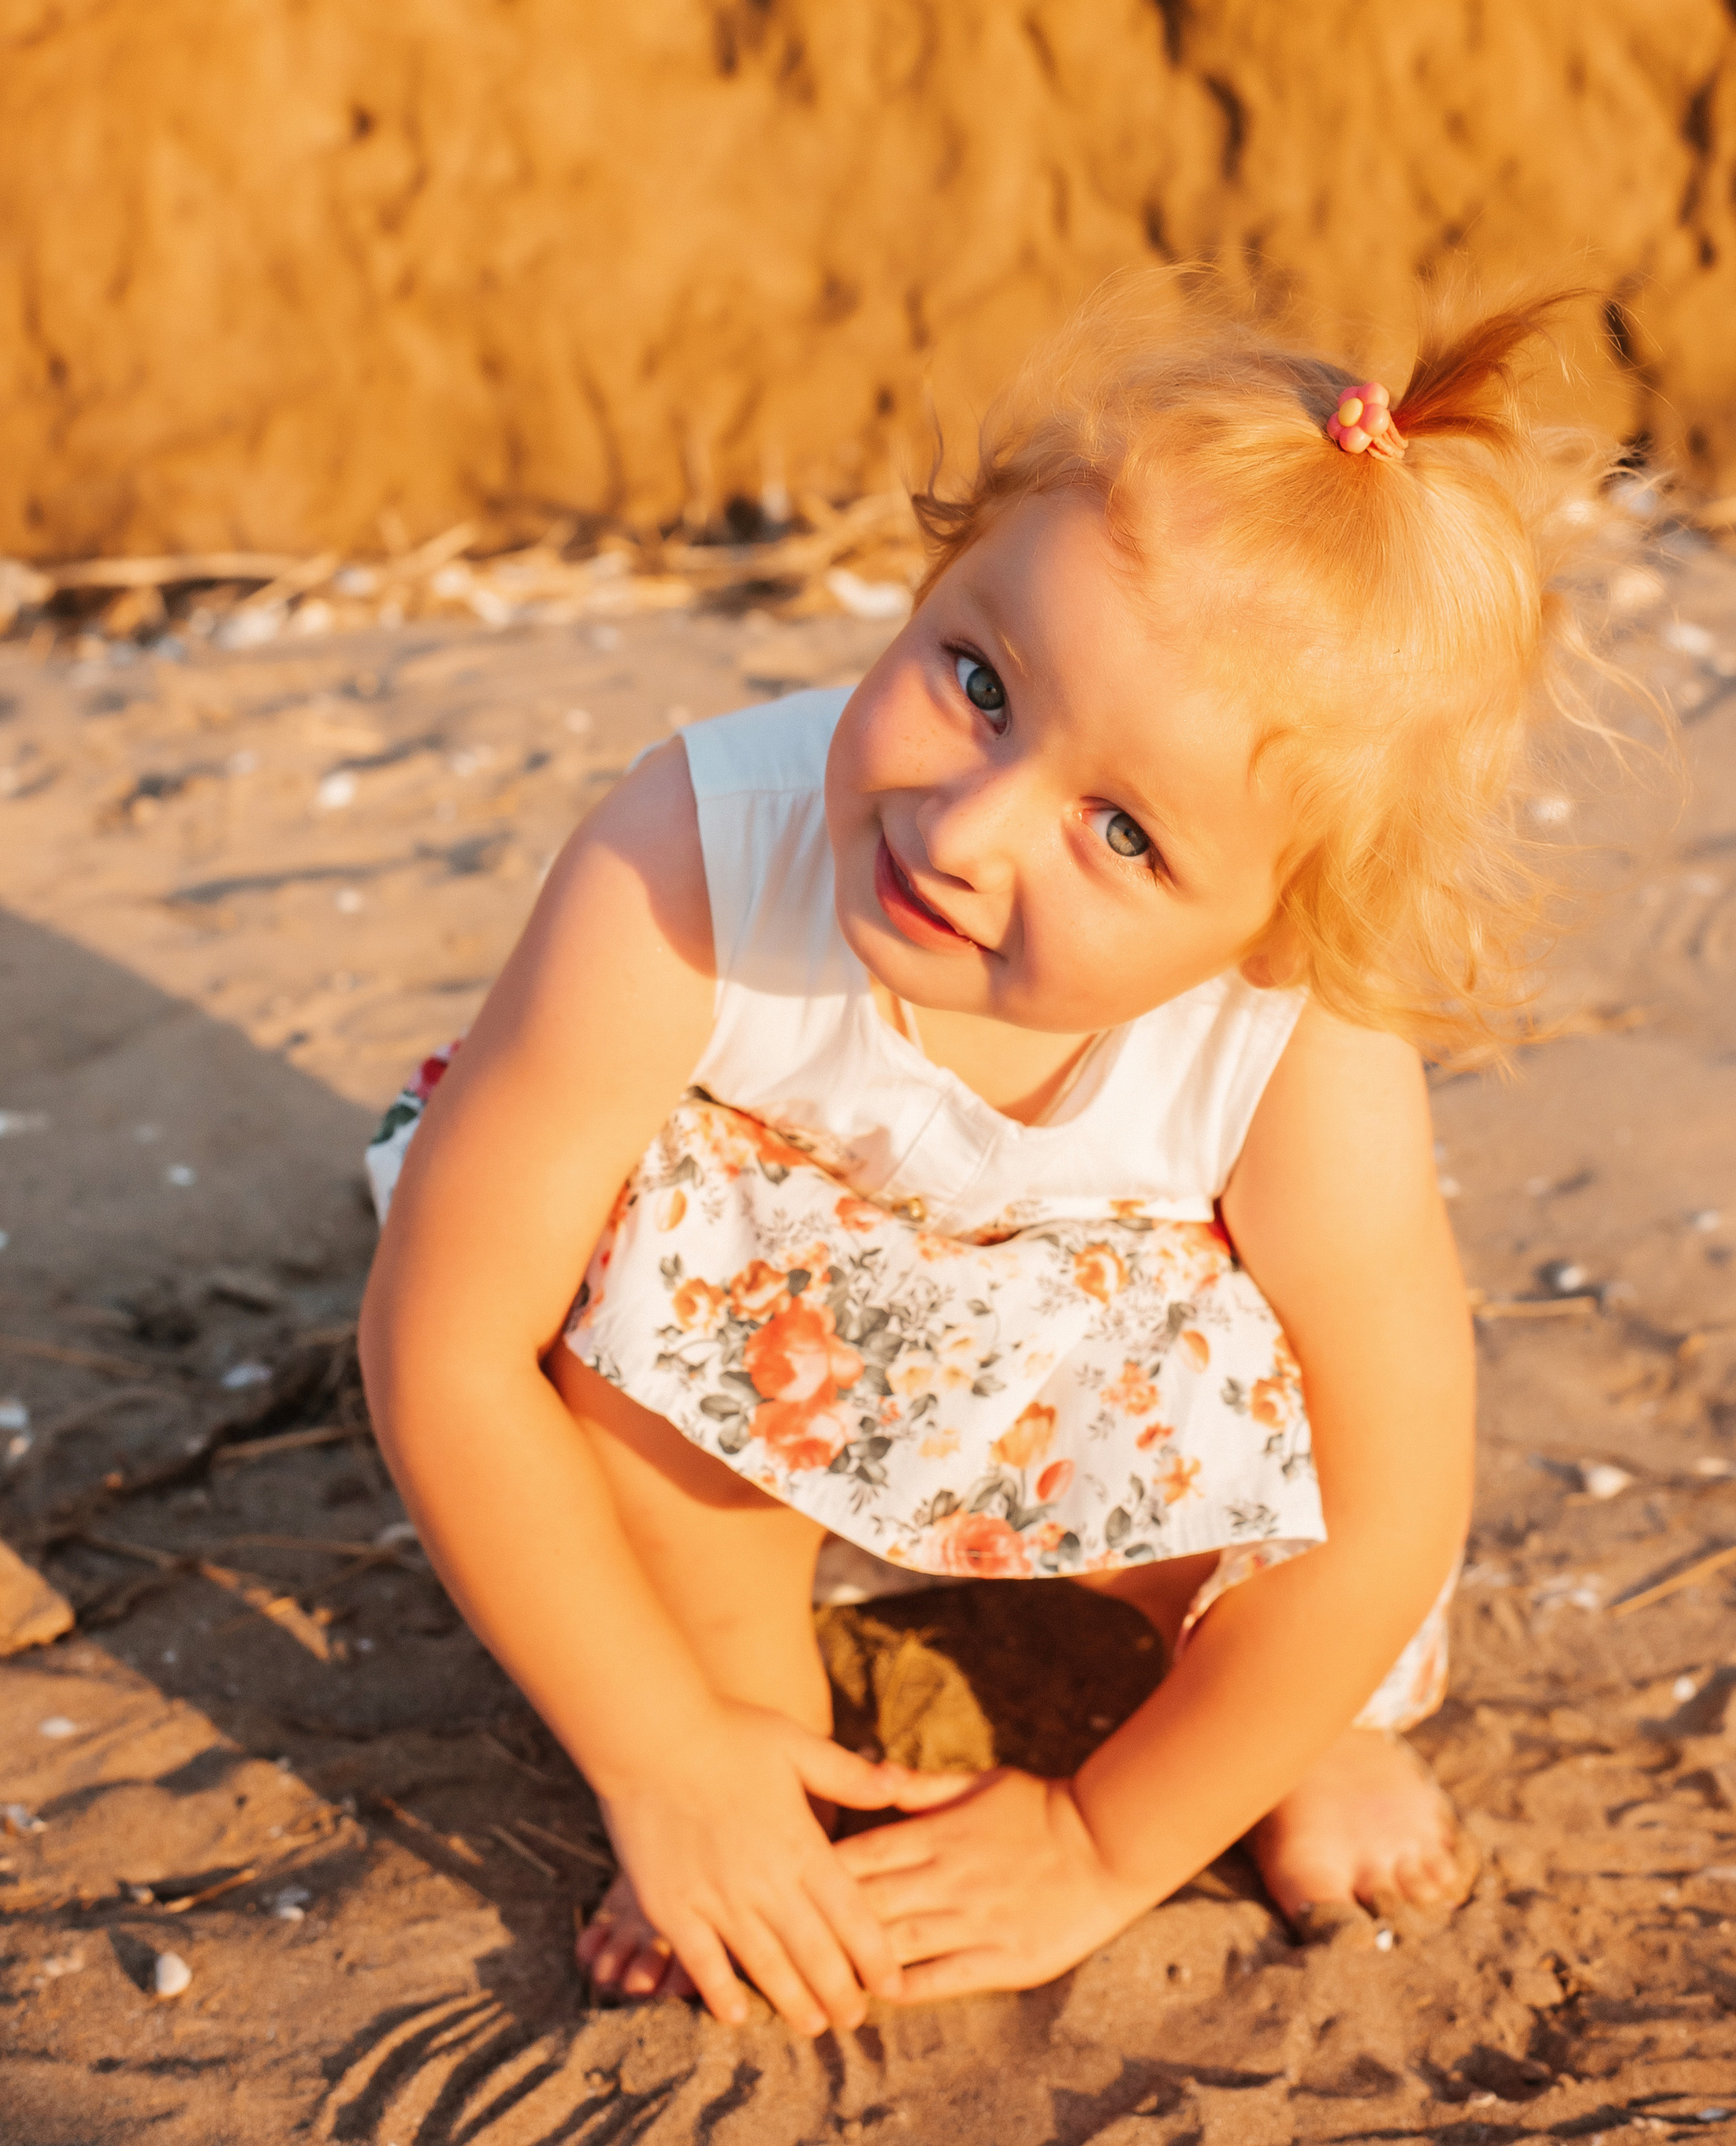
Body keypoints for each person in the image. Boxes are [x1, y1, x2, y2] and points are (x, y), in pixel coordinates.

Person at [359, 282, 1606, 2036]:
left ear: (1279, 915)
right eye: (975, 679)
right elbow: (443, 1338)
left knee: (1301, 1466)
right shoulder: (692, 855)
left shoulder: (1295, 1029)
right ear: (937, 569)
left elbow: (1390, 1503)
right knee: (657, 1243)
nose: (964, 829)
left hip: (1079, 1407)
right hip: (757, 1379)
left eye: (1124, 833)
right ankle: (750, 1756)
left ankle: (1285, 1737)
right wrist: (663, 1761)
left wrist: (1106, 1841)